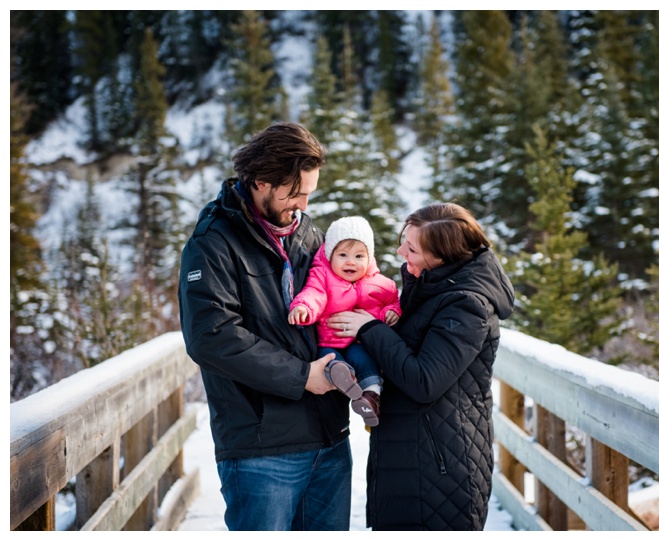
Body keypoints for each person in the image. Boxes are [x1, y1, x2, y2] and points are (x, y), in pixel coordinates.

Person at [178, 123, 353, 531]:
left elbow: (337, 294)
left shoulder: (307, 232)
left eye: (310, 191)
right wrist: (301, 376)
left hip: (329, 439)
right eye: (296, 192)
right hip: (263, 448)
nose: (305, 203)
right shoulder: (213, 242)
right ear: (261, 182)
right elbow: (212, 336)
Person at [327, 202, 515, 530]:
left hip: (439, 469)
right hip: (415, 459)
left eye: (411, 248)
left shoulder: (466, 305)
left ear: (441, 256)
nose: (400, 251)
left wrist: (369, 329)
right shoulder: (431, 288)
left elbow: (424, 381)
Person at [288, 215, 400, 427]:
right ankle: (341, 374)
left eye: (359, 255)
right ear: (330, 256)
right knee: (329, 358)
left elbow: (392, 301)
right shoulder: (323, 276)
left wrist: (391, 313)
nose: (351, 261)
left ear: (369, 257)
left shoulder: (381, 283)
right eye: (342, 254)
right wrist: (303, 307)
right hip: (330, 341)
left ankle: (370, 397)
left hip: (360, 342)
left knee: (366, 362)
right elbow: (314, 294)